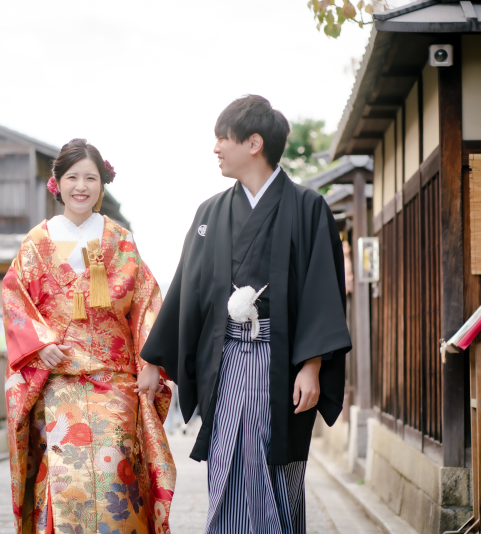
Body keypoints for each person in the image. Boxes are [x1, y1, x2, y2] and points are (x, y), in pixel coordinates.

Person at [141, 96, 351, 534]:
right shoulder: (211, 212)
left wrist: (312, 366)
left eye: (223, 138)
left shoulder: (308, 208)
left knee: (279, 466)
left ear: (254, 143)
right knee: (228, 458)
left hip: (284, 362)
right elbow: (187, 287)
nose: (216, 148)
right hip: (227, 359)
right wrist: (152, 359)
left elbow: (321, 293)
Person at [3, 139, 176, 534]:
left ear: (102, 184)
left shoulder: (120, 240)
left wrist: (149, 364)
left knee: (118, 468)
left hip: (114, 380)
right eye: (72, 177)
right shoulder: (37, 242)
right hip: (58, 379)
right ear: (57, 183)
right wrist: (41, 343)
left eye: (90, 178)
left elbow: (146, 302)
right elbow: (15, 299)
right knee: (64, 477)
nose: (81, 186)